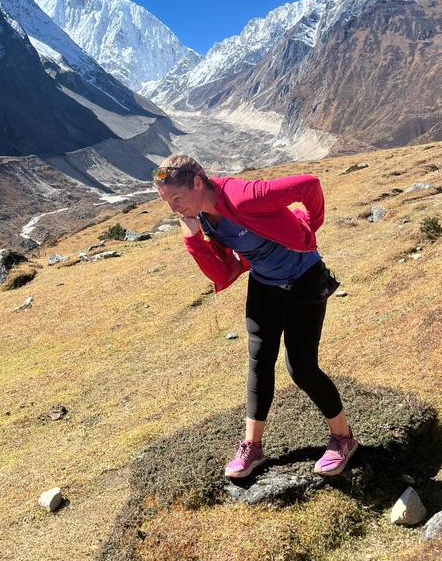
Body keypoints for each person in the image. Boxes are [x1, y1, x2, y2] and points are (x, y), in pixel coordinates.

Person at [152, 154, 359, 479]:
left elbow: (308, 185)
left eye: (177, 198)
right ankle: (253, 447)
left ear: (196, 183)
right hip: (264, 283)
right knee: (260, 362)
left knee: (302, 368)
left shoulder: (241, 195)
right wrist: (192, 239)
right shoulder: (202, 217)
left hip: (303, 278)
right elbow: (220, 272)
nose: (173, 208)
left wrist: (310, 228)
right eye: (167, 201)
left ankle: (344, 439)